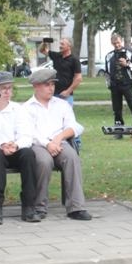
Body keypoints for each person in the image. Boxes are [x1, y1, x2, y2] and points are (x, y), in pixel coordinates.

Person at [23, 67, 92, 222]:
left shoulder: (62, 105)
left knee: (71, 157)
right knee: (43, 162)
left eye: (52, 84)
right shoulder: (27, 108)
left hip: (60, 142)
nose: (51, 88)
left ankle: (76, 207)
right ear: (36, 86)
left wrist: (58, 138)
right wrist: (48, 144)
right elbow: (30, 133)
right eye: (47, 85)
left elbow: (75, 126)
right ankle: (39, 206)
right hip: (38, 144)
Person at [0, 71, 37, 223]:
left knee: (28, 155)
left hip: (14, 149)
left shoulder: (18, 109)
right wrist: (1, 145)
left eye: (9, 88)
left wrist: (16, 144)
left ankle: (29, 206)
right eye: (2, 88)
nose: (7, 92)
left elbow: (26, 134)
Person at [104, 33, 132, 129]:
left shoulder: (130, 52)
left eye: (118, 42)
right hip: (115, 86)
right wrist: (109, 84)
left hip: (127, 84)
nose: (117, 45)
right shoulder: (109, 56)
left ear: (121, 41)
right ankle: (119, 130)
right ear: (112, 43)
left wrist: (127, 64)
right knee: (117, 110)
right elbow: (107, 72)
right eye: (114, 43)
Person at [38, 37, 83, 104]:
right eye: (60, 44)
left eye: (62, 44)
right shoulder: (57, 56)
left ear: (69, 46)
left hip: (66, 96)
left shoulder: (74, 60)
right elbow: (42, 50)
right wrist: (44, 42)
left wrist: (68, 91)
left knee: (65, 114)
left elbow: (78, 78)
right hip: (54, 94)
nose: (60, 46)